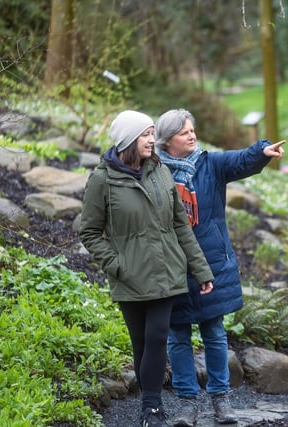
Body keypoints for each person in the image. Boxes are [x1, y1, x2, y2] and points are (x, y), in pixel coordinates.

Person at [79, 110, 215, 427]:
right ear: (128, 140)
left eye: (153, 134)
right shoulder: (102, 180)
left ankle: (152, 408)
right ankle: (148, 401)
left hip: (167, 269)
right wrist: (117, 264)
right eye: (145, 134)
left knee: (156, 337)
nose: (152, 140)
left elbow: (181, 225)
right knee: (140, 343)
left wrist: (201, 269)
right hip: (129, 276)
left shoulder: (160, 171)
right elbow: (89, 232)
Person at [154, 108, 284, 425]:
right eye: (184, 132)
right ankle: (187, 404)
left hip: (213, 266)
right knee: (178, 336)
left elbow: (239, 161)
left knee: (214, 333)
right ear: (168, 140)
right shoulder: (154, 172)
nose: (192, 135)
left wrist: (261, 152)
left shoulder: (210, 165)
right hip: (171, 266)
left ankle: (221, 401)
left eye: (192, 129)